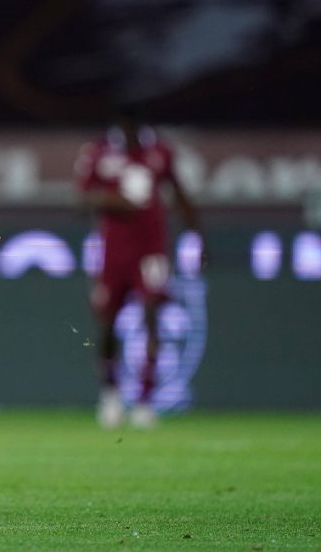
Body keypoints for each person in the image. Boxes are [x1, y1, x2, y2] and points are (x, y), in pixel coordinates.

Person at [75, 107, 204, 429]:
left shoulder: (160, 151)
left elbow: (179, 193)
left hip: (151, 251)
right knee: (106, 323)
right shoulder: (99, 152)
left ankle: (145, 400)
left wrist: (198, 236)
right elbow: (81, 198)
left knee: (151, 317)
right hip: (113, 253)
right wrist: (111, 200)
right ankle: (110, 395)